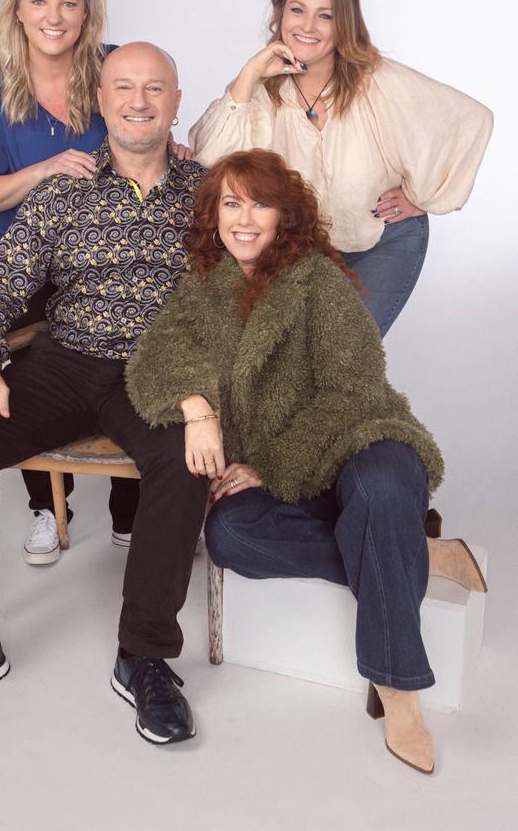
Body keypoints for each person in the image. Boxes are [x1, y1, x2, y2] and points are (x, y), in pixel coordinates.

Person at [0, 43, 207, 745]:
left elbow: (250, 287)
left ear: (177, 102)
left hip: (157, 371)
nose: (139, 101)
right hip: (65, 360)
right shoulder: (64, 189)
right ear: (102, 101)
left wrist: (208, 395)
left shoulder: (209, 194)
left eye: (155, 88)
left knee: (186, 458)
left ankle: (145, 654)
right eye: (124, 87)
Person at [126, 149, 488, 774]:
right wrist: (195, 405)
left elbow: (354, 391)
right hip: (290, 478)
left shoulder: (318, 279)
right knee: (230, 534)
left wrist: (269, 466)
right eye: (231, 204)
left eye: (260, 204)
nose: (244, 220)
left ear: (284, 216)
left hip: (359, 440)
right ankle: (416, 551)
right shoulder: (203, 286)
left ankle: (398, 689)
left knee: (379, 491)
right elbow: (151, 362)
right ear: (213, 214)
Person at [189, 0, 493, 336]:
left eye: (326, 16)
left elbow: (469, 119)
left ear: (344, 24)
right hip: (297, 248)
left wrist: (423, 197)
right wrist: (249, 74)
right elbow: (210, 156)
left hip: (381, 242)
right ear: (281, 13)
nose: (307, 26)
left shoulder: (376, 80)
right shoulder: (262, 89)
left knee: (346, 352)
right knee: (296, 356)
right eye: (297, 10)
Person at [0, 0, 140, 562]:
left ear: (87, 11)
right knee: (20, 366)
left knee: (141, 339)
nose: (53, 16)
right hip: (26, 265)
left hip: (106, 260)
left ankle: (130, 508)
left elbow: (149, 142)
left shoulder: (115, 66)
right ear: (18, 9)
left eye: (68, 2)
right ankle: (46, 506)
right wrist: (44, 170)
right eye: (39, 1)